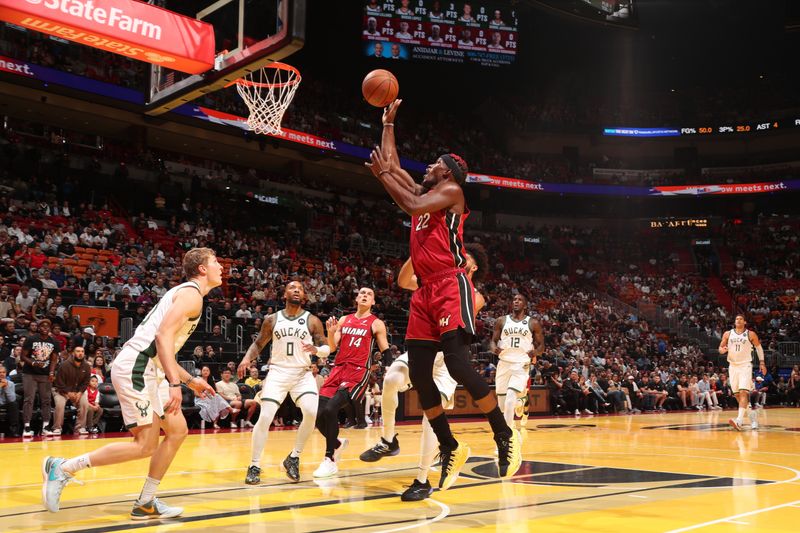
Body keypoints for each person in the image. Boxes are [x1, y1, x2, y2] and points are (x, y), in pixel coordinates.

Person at [366, 99, 521, 491]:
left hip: (451, 285)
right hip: (424, 290)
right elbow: (395, 167)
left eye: (436, 162)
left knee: (455, 362)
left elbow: (408, 195)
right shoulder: (425, 191)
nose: (429, 166)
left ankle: (504, 435)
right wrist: (388, 125)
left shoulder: (449, 191)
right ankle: (450, 446)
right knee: (418, 373)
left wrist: (385, 177)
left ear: (448, 172)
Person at [42, 248, 220, 519]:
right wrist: (175, 383)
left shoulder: (188, 294)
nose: (222, 267)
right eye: (216, 262)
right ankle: (63, 468)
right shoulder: (192, 294)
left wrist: (189, 380)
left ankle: (146, 501)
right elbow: (161, 337)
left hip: (152, 369)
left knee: (177, 430)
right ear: (203, 269)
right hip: (137, 367)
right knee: (145, 445)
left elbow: (164, 350)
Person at [360, 244, 489, 502]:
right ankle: (388, 440)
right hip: (423, 350)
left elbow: (455, 316)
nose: (456, 259)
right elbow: (404, 280)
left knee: (431, 417)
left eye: (463, 258)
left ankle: (422, 480)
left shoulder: (475, 296)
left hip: (446, 360)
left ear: (472, 267)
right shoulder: (434, 282)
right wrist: (420, 250)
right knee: (391, 379)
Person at [238, 281, 326, 485]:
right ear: (284, 293)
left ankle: (294, 457)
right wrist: (246, 359)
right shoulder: (271, 319)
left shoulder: (312, 320)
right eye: (292, 287)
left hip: (302, 374)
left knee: (312, 413)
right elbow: (259, 343)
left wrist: (318, 351)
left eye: (300, 289)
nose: (296, 290)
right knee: (266, 416)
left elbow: (325, 346)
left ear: (304, 296)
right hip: (278, 371)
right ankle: (254, 464)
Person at [314, 287, 390, 478]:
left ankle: (329, 459)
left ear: (373, 302)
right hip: (338, 369)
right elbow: (332, 347)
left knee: (331, 410)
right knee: (317, 414)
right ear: (356, 298)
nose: (364, 295)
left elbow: (386, 351)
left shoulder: (376, 323)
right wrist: (330, 332)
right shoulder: (344, 320)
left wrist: (391, 371)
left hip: (358, 372)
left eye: (369, 294)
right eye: (362, 293)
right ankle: (338, 443)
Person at [490, 294, 544, 429]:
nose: (516, 301)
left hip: (521, 364)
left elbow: (541, 345)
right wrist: (493, 349)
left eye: (519, 300)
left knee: (509, 400)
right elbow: (493, 341)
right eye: (514, 299)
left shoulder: (533, 323)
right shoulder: (501, 321)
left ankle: (506, 435)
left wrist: (536, 352)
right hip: (503, 363)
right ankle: (520, 402)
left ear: (525, 305)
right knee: (502, 406)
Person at [720, 314, 765, 431]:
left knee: (743, 392)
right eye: (736, 319)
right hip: (732, 366)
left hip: (745, 365)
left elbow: (759, 348)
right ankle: (752, 416)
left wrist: (762, 363)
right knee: (737, 395)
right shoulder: (727, 334)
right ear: (734, 322)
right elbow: (720, 348)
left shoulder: (751, 334)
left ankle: (739, 421)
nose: (738, 320)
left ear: (745, 322)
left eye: (741, 319)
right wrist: (722, 350)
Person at [21, 318, 59, 437]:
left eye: (47, 327)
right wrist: (33, 362)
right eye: (42, 326)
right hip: (30, 374)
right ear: (38, 328)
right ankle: (27, 427)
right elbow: (23, 356)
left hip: (45, 374)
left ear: (50, 328)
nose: (45, 328)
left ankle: (46, 426)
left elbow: (53, 359)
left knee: (46, 400)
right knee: (29, 399)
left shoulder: (54, 341)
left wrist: (52, 373)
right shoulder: (31, 339)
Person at [51, 346, 92, 436]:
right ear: (73, 353)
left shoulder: (86, 366)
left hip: (77, 392)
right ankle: (57, 428)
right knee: (60, 404)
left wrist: (80, 393)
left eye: (82, 351)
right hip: (61, 391)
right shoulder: (64, 365)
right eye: (78, 351)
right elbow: (59, 382)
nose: (80, 353)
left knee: (84, 404)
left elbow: (86, 382)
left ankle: (80, 427)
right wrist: (68, 393)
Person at [0, 364, 19, 436]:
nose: (2, 374)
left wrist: (6, 387)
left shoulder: (11, 384)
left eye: (3, 372)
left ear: (6, 373)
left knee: (14, 404)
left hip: (6, 404)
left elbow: (12, 399)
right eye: (0, 372)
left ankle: (14, 430)